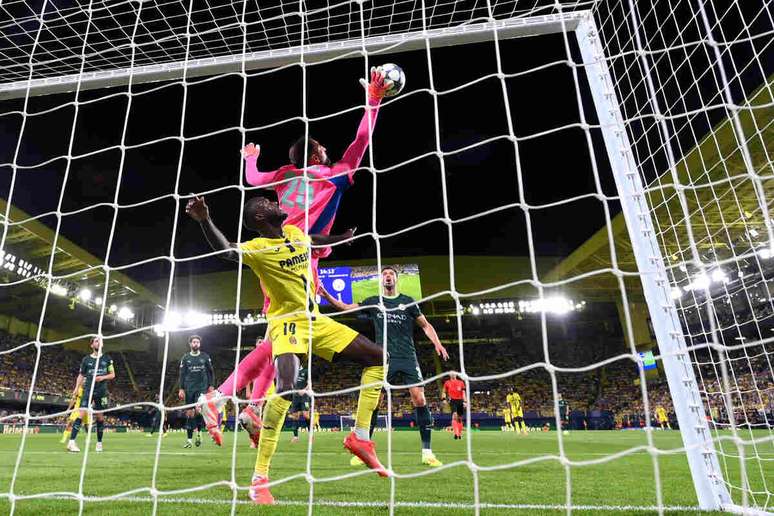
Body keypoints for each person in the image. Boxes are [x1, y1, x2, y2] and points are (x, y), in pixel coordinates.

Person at [197, 67, 394, 446]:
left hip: (294, 254)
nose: (327, 150)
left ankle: (252, 405)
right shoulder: (334, 174)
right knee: (286, 332)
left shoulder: (285, 175)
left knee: (290, 334)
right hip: (291, 255)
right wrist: (373, 101)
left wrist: (250, 159)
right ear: (316, 152)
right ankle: (220, 396)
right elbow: (361, 139)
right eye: (322, 147)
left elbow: (253, 181)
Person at [186, 194, 388, 505]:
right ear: (259, 219)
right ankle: (259, 479)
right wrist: (205, 220)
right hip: (287, 324)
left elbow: (312, 239)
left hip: (316, 321)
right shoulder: (258, 248)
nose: (273, 202)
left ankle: (360, 438)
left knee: (378, 358)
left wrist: (341, 238)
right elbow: (226, 251)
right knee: (286, 390)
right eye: (266, 204)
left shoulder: (294, 232)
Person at [321, 266, 448, 467]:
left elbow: (425, 325)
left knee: (419, 397)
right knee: (375, 402)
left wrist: (437, 343)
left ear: (396, 280)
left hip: (407, 356)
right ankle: (363, 449)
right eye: (385, 274)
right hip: (383, 359)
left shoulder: (407, 302)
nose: (388, 276)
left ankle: (427, 452)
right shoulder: (374, 302)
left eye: (391, 274)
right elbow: (346, 308)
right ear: (382, 280)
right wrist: (326, 294)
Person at [66, 337, 115, 453]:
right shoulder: (86, 360)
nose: (99, 342)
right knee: (81, 413)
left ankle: (99, 443)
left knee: (100, 417)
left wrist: (102, 377)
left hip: (102, 391)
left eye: (100, 341)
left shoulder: (107, 358)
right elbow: (81, 376)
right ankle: (71, 442)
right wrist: (76, 388)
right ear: (92, 345)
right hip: (88, 390)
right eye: (96, 341)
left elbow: (112, 374)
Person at [178, 335, 214, 448]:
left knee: (198, 411)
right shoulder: (185, 358)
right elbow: (182, 375)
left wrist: (211, 385)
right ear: (190, 344)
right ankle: (189, 440)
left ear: (200, 344)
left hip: (201, 388)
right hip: (189, 389)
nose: (195, 344)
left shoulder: (205, 357)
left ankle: (198, 433)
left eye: (197, 342)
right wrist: (181, 388)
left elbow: (211, 372)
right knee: (189, 414)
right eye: (194, 342)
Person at [288, 365, 311, 443]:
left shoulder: (306, 371)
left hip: (304, 396)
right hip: (295, 397)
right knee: (295, 417)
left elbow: (309, 384)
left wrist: (304, 390)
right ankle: (295, 437)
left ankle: (310, 435)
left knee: (306, 415)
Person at [442, 372, 466, 440]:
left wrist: (465, 401)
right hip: (452, 401)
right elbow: (444, 391)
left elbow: (463, 393)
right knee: (454, 416)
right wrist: (443, 399)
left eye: (454, 373)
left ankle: (460, 434)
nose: (453, 374)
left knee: (459, 418)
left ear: (456, 375)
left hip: (460, 401)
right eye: (451, 373)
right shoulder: (447, 382)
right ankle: (456, 433)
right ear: (449, 375)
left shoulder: (461, 382)